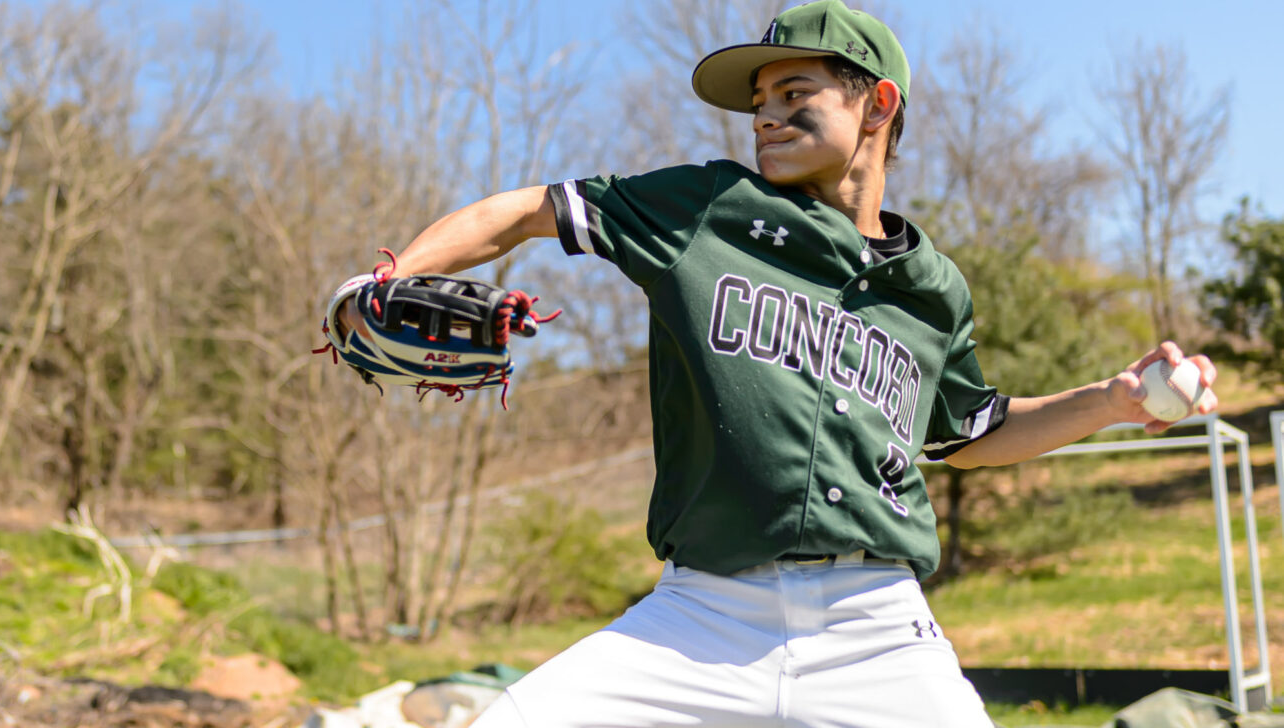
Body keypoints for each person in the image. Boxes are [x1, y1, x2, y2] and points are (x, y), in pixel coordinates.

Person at [337, 1, 1218, 725]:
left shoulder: (934, 289)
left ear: (877, 104)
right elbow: (528, 209)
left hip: (876, 627)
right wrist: (393, 277)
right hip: (702, 616)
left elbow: (973, 432)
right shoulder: (706, 209)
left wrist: (1108, 400)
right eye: (757, 100)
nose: (764, 113)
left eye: (794, 91)